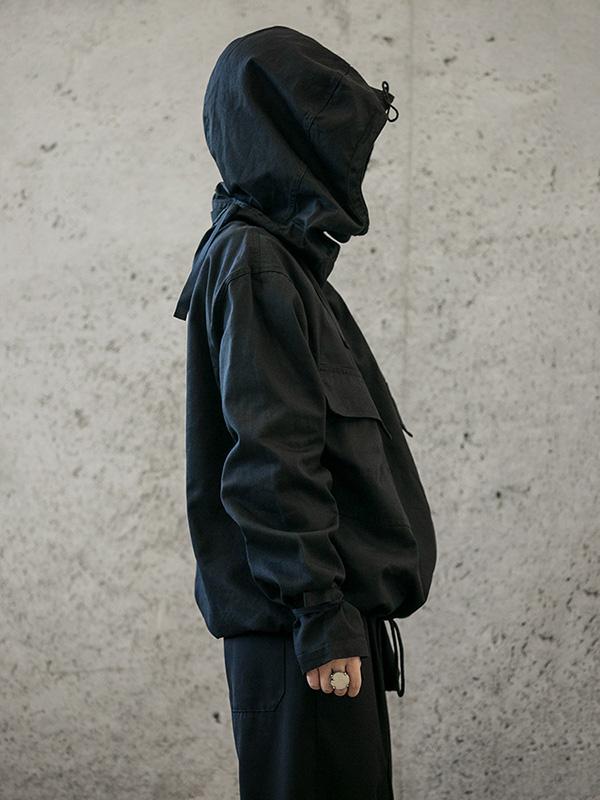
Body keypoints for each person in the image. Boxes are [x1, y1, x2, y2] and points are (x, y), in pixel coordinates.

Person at [173, 24, 437, 800]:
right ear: (283, 136)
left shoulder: (278, 262)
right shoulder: (256, 261)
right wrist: (321, 617)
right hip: (306, 641)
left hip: (317, 632)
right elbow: (271, 454)